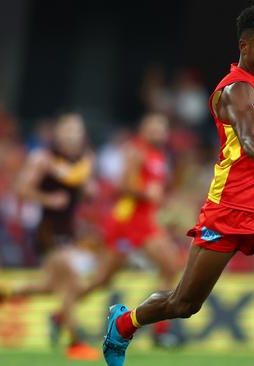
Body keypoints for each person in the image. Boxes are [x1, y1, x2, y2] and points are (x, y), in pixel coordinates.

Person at [102, 4, 254, 366]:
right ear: (244, 46)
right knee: (184, 303)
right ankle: (124, 322)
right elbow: (248, 136)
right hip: (229, 213)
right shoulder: (234, 92)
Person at [0, 113, 100, 360]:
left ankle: (0, 294)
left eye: (76, 130)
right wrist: (48, 199)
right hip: (46, 230)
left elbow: (84, 188)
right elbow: (20, 188)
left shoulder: (85, 159)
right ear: (57, 133)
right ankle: (75, 342)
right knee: (72, 282)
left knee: (50, 287)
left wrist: (89, 191)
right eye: (67, 129)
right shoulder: (43, 159)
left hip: (68, 230)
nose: (72, 135)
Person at [71, 112, 181, 344]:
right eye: (154, 127)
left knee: (105, 279)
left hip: (142, 222)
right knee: (168, 266)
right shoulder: (137, 150)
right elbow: (122, 184)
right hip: (128, 222)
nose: (159, 132)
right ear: (143, 129)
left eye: (162, 128)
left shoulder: (157, 154)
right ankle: (159, 330)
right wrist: (145, 193)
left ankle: (59, 315)